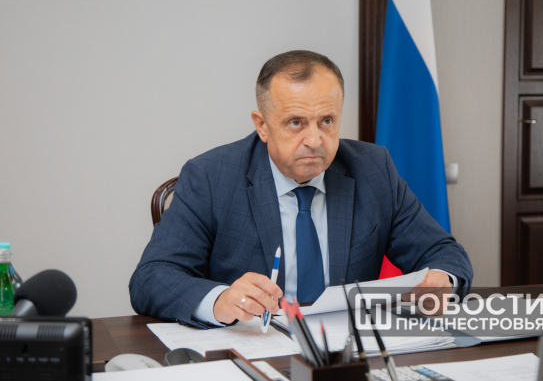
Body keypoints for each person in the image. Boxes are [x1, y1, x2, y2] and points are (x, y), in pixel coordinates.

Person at [129, 50, 472, 328]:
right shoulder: (211, 177)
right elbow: (151, 278)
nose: (314, 140)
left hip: (345, 354)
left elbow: (443, 252)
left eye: (327, 121)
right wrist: (220, 300)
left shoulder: (373, 169)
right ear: (262, 125)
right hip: (253, 350)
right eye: (296, 123)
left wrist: (442, 279)